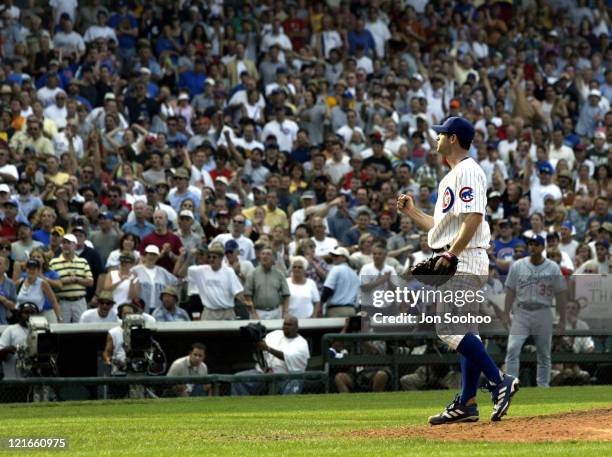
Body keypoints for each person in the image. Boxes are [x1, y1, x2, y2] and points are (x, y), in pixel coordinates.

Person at [397, 116, 518, 425]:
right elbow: (441, 228)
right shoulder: (451, 177)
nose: (436, 139)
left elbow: (475, 217)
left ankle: (499, 380)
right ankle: (467, 402)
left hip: (463, 257)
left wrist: (451, 254)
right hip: (460, 255)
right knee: (466, 331)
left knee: (448, 328)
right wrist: (412, 212)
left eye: (441, 135)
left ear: (453, 139)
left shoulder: (468, 171)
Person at [504, 235, 568, 387]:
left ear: (542, 247)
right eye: (530, 244)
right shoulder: (518, 265)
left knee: (544, 353)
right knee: (513, 348)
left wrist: (562, 319)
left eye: (536, 244)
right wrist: (506, 312)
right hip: (521, 312)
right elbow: (510, 290)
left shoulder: (553, 267)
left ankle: (543, 387)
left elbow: (561, 294)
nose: (532, 247)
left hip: (543, 312)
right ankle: (510, 386)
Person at [231, 316, 310, 396]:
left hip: (286, 378)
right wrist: (256, 342)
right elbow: (262, 348)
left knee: (296, 382)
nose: (286, 327)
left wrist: (268, 348)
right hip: (264, 374)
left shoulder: (301, 343)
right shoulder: (275, 334)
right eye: (285, 324)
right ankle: (245, 405)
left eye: (289, 325)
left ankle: (285, 407)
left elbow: (285, 356)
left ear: (296, 328)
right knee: (238, 378)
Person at [188, 242, 248, 320]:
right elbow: (180, 274)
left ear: (221, 258)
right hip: (209, 312)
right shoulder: (200, 270)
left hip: (227, 312)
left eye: (214, 257)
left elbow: (238, 292)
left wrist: (248, 305)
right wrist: (190, 255)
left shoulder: (229, 271)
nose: (211, 259)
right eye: (209, 257)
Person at [49, 233, 93, 323]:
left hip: (79, 301)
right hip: (62, 301)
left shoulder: (83, 262)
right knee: (62, 329)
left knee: (82, 330)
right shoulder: (54, 262)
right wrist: (65, 281)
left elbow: (90, 282)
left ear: (75, 245)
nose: (66, 245)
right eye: (64, 242)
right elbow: (50, 283)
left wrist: (77, 280)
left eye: (69, 243)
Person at [244, 247, 290, 319]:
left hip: (276, 312)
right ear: (260, 257)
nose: (265, 256)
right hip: (258, 312)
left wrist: (285, 312)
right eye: (263, 254)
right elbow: (247, 296)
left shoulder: (279, 274)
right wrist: (253, 313)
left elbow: (286, 295)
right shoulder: (252, 274)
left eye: (268, 254)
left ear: (273, 258)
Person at [130, 244, 178, 314]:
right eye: (150, 254)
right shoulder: (135, 270)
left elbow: (175, 282)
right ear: (145, 255)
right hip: (140, 308)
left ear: (157, 257)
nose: (152, 256)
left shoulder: (162, 271)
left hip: (159, 309)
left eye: (154, 254)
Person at [0, 302, 40, 379]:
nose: (29, 315)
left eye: (33, 313)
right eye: (26, 312)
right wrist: (6, 350)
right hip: (13, 379)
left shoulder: (42, 331)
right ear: (19, 314)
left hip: (35, 379)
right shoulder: (11, 330)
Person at [16, 258, 62, 323]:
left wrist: (59, 318)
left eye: (33, 269)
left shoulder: (43, 283)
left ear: (38, 270)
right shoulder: (19, 282)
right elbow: (13, 299)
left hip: (37, 318)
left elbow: (54, 302)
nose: (31, 271)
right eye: (29, 268)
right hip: (21, 319)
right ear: (26, 269)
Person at [321, 247, 360, 317]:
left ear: (344, 258)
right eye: (333, 255)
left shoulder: (336, 269)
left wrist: (320, 304)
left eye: (337, 256)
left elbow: (327, 289)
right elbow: (357, 297)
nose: (333, 257)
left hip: (336, 310)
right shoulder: (355, 274)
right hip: (351, 311)